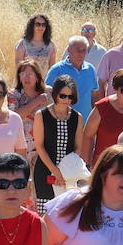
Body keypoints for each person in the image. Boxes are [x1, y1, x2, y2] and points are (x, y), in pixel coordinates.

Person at [31, 75, 84, 203]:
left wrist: (66, 170)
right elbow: (40, 146)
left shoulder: (77, 117)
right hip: (45, 172)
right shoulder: (41, 115)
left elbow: (78, 147)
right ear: (55, 94)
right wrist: (55, 171)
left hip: (69, 175)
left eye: (70, 96)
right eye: (63, 95)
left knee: (67, 212)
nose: (66, 99)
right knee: (45, 213)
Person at [45, 35, 100, 121]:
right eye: (77, 49)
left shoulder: (90, 69)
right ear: (69, 50)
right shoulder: (57, 69)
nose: (81, 53)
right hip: (62, 121)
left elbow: (94, 95)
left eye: (84, 50)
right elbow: (47, 95)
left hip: (85, 122)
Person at [8, 59, 48, 157]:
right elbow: (15, 115)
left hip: (44, 144)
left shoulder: (48, 93)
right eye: (23, 74)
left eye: (30, 74)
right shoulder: (13, 95)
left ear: (37, 77)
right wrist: (37, 101)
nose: (26, 77)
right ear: (19, 77)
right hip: (21, 144)